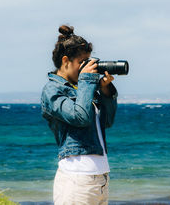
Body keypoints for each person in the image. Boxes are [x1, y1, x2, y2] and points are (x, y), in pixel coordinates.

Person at [41, 25, 118, 205]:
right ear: (66, 60)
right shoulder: (52, 90)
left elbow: (107, 121)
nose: (87, 67)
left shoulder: (83, 89)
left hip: (100, 179)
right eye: (82, 62)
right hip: (77, 181)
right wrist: (87, 81)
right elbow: (80, 117)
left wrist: (105, 91)